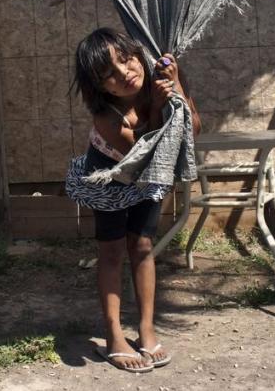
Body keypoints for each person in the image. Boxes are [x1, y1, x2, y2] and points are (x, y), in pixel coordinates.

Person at [67, 27, 200, 373]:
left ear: (138, 54)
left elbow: (192, 128)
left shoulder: (160, 81)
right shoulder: (107, 117)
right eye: (109, 74)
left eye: (126, 60)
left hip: (147, 182)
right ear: (98, 86)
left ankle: (146, 328)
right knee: (111, 252)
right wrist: (157, 107)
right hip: (109, 180)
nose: (124, 74)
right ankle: (113, 335)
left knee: (142, 247)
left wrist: (177, 88)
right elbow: (145, 153)